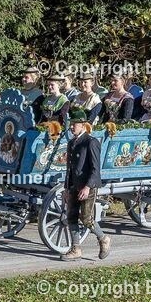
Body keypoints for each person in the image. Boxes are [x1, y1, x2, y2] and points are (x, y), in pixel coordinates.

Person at [61, 108, 110, 261]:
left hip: (87, 186)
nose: (71, 127)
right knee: (71, 217)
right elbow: (69, 168)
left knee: (86, 218)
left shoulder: (91, 142)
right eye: (71, 124)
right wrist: (66, 189)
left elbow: (96, 169)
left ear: (83, 125)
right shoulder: (71, 143)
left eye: (74, 124)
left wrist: (88, 187)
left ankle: (103, 239)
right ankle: (76, 249)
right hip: (74, 185)